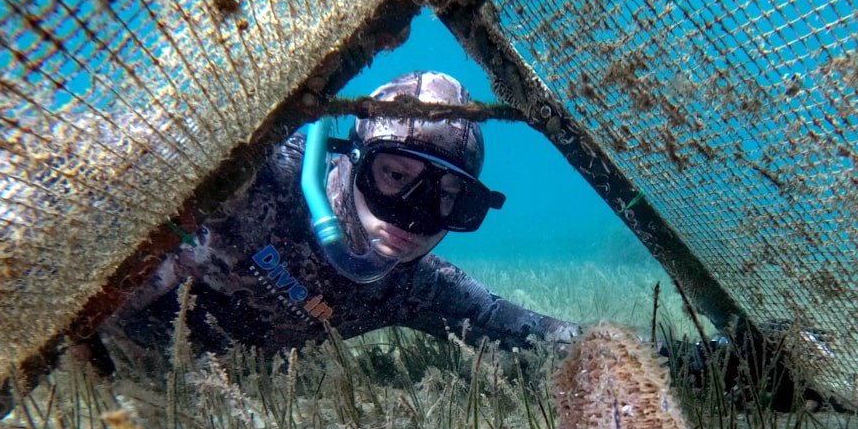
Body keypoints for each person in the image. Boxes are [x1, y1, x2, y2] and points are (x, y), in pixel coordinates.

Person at [98, 71, 578, 363]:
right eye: (394, 175)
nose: (413, 218)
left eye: (449, 197)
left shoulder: (411, 286)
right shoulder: (254, 179)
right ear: (353, 158)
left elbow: (522, 329)